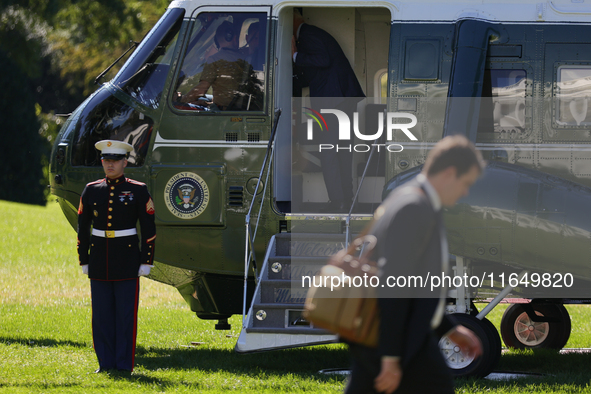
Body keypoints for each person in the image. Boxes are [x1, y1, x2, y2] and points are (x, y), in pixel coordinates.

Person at [345, 135, 485, 394]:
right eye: (466, 183)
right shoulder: (414, 207)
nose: (465, 192)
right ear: (449, 173)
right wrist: (390, 357)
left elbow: (418, 285)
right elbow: (394, 283)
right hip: (399, 342)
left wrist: (450, 330)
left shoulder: (410, 199)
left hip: (400, 337)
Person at [77, 139, 156, 373]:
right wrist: (84, 259)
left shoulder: (138, 190)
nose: (109, 165)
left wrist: (146, 261)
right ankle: (105, 363)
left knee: (124, 318)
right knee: (101, 317)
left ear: (124, 162)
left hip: (127, 260)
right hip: (100, 259)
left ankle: (123, 365)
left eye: (114, 161)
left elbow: (149, 228)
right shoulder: (92, 190)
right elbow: (83, 227)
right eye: (106, 161)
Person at [292, 9, 365, 212]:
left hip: (333, 100)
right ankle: (346, 199)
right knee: (342, 151)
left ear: (293, 18)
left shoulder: (308, 34)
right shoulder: (311, 35)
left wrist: (295, 55)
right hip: (343, 98)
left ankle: (338, 201)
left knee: (329, 151)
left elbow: (323, 59)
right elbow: (314, 72)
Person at [181, 21, 260, 111]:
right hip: (242, 109)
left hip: (225, 113)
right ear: (234, 38)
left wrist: (181, 100)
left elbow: (201, 90)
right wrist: (208, 104)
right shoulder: (245, 58)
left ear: (217, 40)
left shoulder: (215, 60)